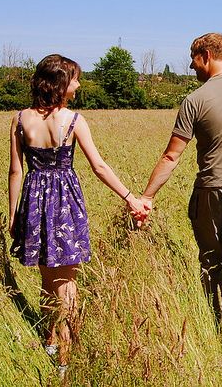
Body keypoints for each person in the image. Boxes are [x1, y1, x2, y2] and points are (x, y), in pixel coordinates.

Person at [137, 33, 222, 363]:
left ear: (206, 55)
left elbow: (172, 157)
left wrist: (146, 196)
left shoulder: (195, 100)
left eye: (193, 56)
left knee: (211, 264)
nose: (190, 64)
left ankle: (212, 335)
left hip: (210, 192)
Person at [8, 54, 148, 378]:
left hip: (33, 202)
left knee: (46, 280)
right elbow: (99, 166)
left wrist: (14, 214)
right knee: (67, 282)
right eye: (74, 79)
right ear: (60, 83)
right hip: (65, 203)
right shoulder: (74, 121)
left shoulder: (19, 120)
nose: (79, 84)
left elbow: (16, 171)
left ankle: (49, 342)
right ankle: (64, 360)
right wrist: (130, 198)